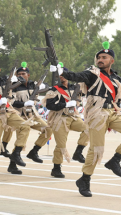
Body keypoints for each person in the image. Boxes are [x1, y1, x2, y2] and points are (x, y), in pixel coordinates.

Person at [54, 42, 121, 197]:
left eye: (104, 57)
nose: (100, 59)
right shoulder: (92, 73)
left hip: (112, 111)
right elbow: (75, 76)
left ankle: (115, 160)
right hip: (97, 114)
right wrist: (62, 71)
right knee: (96, 149)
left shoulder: (116, 78)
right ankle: (84, 179)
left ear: (112, 60)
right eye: (98, 57)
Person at [42, 62, 89, 178]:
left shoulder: (75, 87)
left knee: (88, 129)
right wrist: (65, 104)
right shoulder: (54, 89)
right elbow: (50, 105)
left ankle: (79, 151)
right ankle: (56, 168)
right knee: (61, 145)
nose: (61, 77)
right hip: (59, 118)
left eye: (63, 75)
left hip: (73, 117)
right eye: (59, 75)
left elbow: (88, 89)